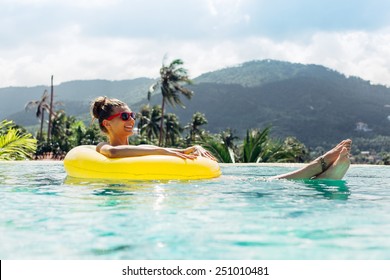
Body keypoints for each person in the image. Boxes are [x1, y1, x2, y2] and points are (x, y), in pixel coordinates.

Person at [91, 96, 351, 180]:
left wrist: (197, 147)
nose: (131, 120)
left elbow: (183, 148)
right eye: (124, 117)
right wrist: (168, 154)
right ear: (107, 123)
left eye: (131, 114)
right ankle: (314, 170)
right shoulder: (101, 147)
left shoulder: (144, 147)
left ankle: (319, 171)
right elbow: (113, 154)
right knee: (259, 186)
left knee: (252, 182)